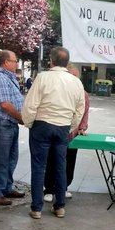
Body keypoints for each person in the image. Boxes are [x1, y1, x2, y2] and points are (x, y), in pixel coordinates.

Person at [22, 47, 85, 220]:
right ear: (66, 62)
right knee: (60, 167)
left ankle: (36, 208)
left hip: (42, 125)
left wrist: (29, 123)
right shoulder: (76, 82)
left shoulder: (42, 78)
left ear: (51, 60)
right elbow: (80, 109)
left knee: (38, 167)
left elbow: (31, 104)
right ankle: (60, 206)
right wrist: (71, 126)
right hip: (63, 126)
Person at [43, 64, 90, 202]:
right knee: (52, 160)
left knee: (69, 161)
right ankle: (49, 189)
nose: (73, 79)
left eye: (76, 76)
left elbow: (85, 112)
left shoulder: (83, 93)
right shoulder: (57, 89)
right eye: (71, 76)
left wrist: (82, 127)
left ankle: (63, 187)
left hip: (71, 134)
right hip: (56, 130)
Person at [0, 50, 25, 206]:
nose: (16, 64)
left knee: (11, 158)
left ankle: (6, 187)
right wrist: (21, 118)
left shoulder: (10, 77)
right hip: (2, 123)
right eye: (15, 61)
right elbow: (5, 105)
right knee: (0, 160)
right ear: (6, 62)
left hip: (10, 123)